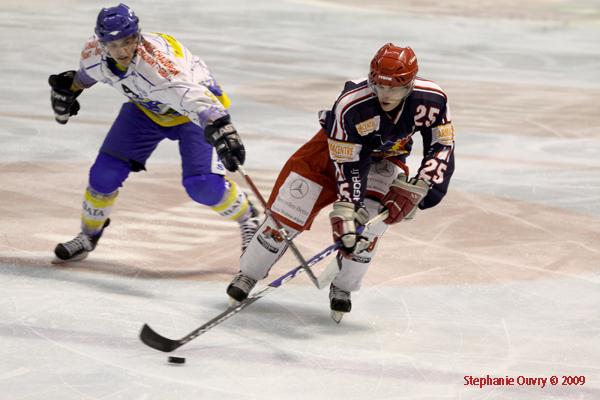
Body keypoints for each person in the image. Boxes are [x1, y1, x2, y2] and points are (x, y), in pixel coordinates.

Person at [226, 43, 456, 321]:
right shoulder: (352, 104)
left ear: (409, 84)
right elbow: (347, 162)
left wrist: (422, 186)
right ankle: (248, 274)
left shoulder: (432, 99)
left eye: (394, 88)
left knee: (371, 224)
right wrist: (347, 207)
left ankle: (343, 286)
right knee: (287, 213)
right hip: (328, 153)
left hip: (385, 158)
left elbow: (442, 144)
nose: (385, 94)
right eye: (379, 86)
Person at [49, 3, 259, 263]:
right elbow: (88, 74)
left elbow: (194, 98)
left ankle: (249, 217)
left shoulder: (158, 66)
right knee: (104, 173)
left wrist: (223, 127)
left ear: (137, 36)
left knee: (203, 185)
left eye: (128, 41)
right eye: (113, 45)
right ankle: (88, 235)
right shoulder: (94, 52)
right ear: (102, 44)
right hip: (147, 109)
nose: (122, 51)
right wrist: (70, 87)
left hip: (192, 113)